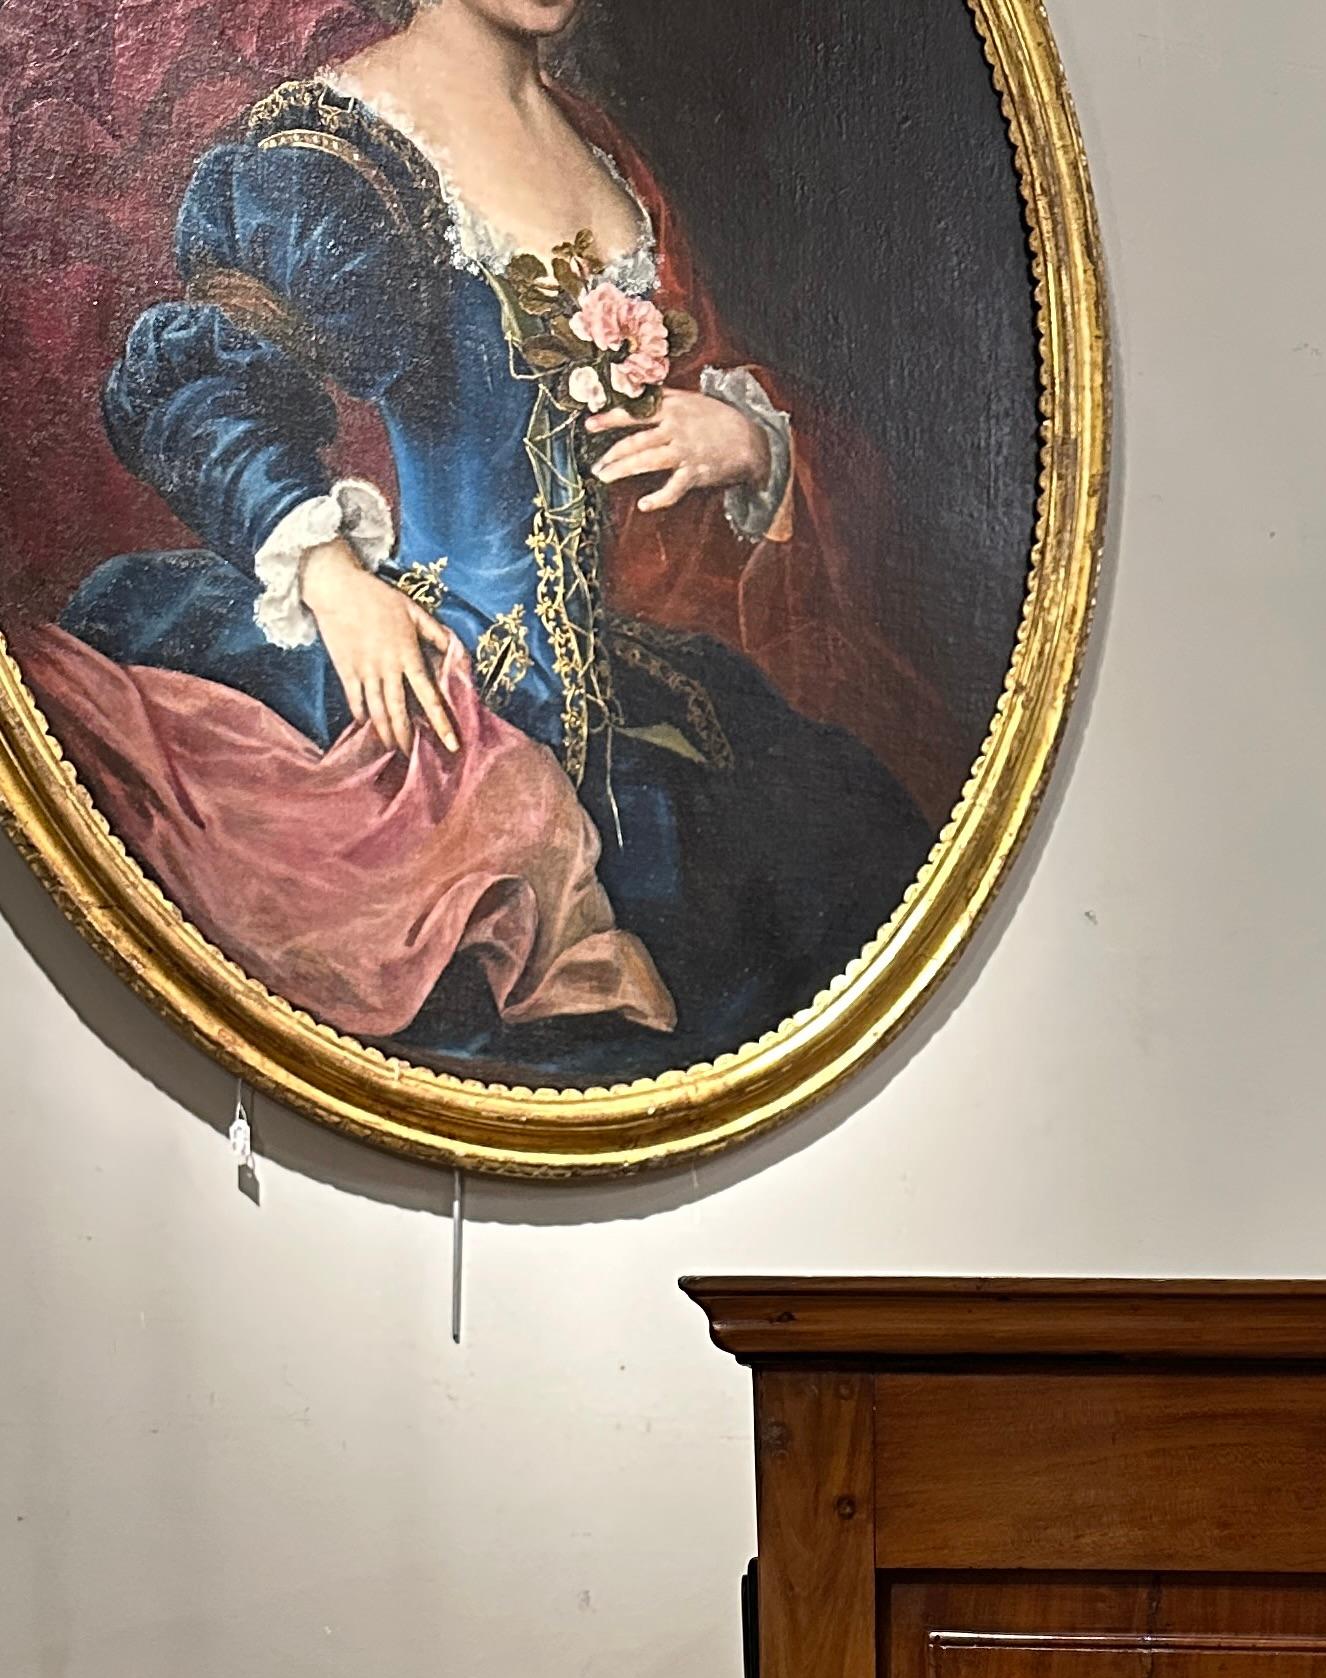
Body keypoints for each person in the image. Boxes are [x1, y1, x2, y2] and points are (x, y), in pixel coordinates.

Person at [27, 0, 953, 1074]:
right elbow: (200, 383)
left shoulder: (601, 148)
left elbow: (677, 430)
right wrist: (332, 579)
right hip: (440, 682)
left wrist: (742, 437)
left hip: (616, 698)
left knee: (838, 847)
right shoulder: (346, 146)